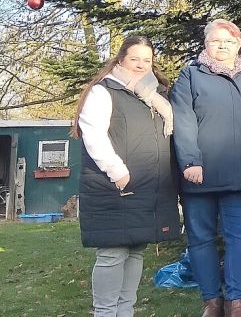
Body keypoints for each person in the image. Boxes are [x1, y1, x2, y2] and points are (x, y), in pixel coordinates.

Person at [171, 19, 241, 317]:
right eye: (217, 41)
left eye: (229, 42)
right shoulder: (190, 76)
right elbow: (183, 120)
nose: (223, 46)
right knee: (201, 238)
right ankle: (212, 301)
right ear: (206, 44)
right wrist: (190, 160)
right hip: (199, 176)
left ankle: (237, 301)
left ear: (238, 45)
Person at [73, 36, 180, 317]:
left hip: (146, 185)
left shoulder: (154, 96)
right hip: (115, 185)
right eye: (135, 59)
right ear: (121, 59)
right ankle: (105, 312)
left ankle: (126, 311)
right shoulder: (103, 91)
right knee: (112, 253)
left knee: (135, 250)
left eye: (147, 60)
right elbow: (93, 134)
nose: (141, 65)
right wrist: (117, 171)